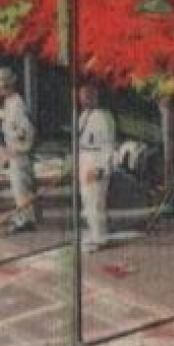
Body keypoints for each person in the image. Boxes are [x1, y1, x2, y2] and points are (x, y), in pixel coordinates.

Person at [0, 67, 37, 233]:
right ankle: (25, 216)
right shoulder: (9, 102)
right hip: (12, 150)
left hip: (19, 152)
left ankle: (26, 219)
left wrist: (17, 147)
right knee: (17, 188)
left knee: (21, 187)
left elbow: (26, 130)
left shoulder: (18, 104)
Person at [75, 83, 117, 251]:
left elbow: (108, 145)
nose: (82, 100)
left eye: (86, 96)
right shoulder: (83, 116)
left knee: (95, 200)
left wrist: (102, 166)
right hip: (85, 160)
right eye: (81, 97)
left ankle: (100, 238)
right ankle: (93, 234)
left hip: (95, 161)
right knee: (87, 199)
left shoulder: (103, 117)